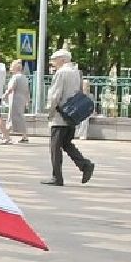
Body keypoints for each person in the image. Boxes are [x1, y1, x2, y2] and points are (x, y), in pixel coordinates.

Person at [44, 47, 95, 186]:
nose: (53, 64)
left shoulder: (61, 73)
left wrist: (49, 111)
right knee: (66, 143)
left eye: (54, 61)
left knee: (55, 147)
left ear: (62, 60)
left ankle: (57, 177)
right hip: (72, 115)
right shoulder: (76, 72)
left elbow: (55, 95)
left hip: (59, 116)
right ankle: (85, 165)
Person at [7, 58, 30, 142]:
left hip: (14, 99)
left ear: (15, 68)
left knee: (12, 116)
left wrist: (4, 95)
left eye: (12, 67)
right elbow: (27, 90)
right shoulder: (24, 78)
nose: (11, 68)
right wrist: (28, 100)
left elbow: (11, 88)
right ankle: (24, 136)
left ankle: (5, 134)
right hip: (22, 99)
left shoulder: (15, 77)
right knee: (20, 116)